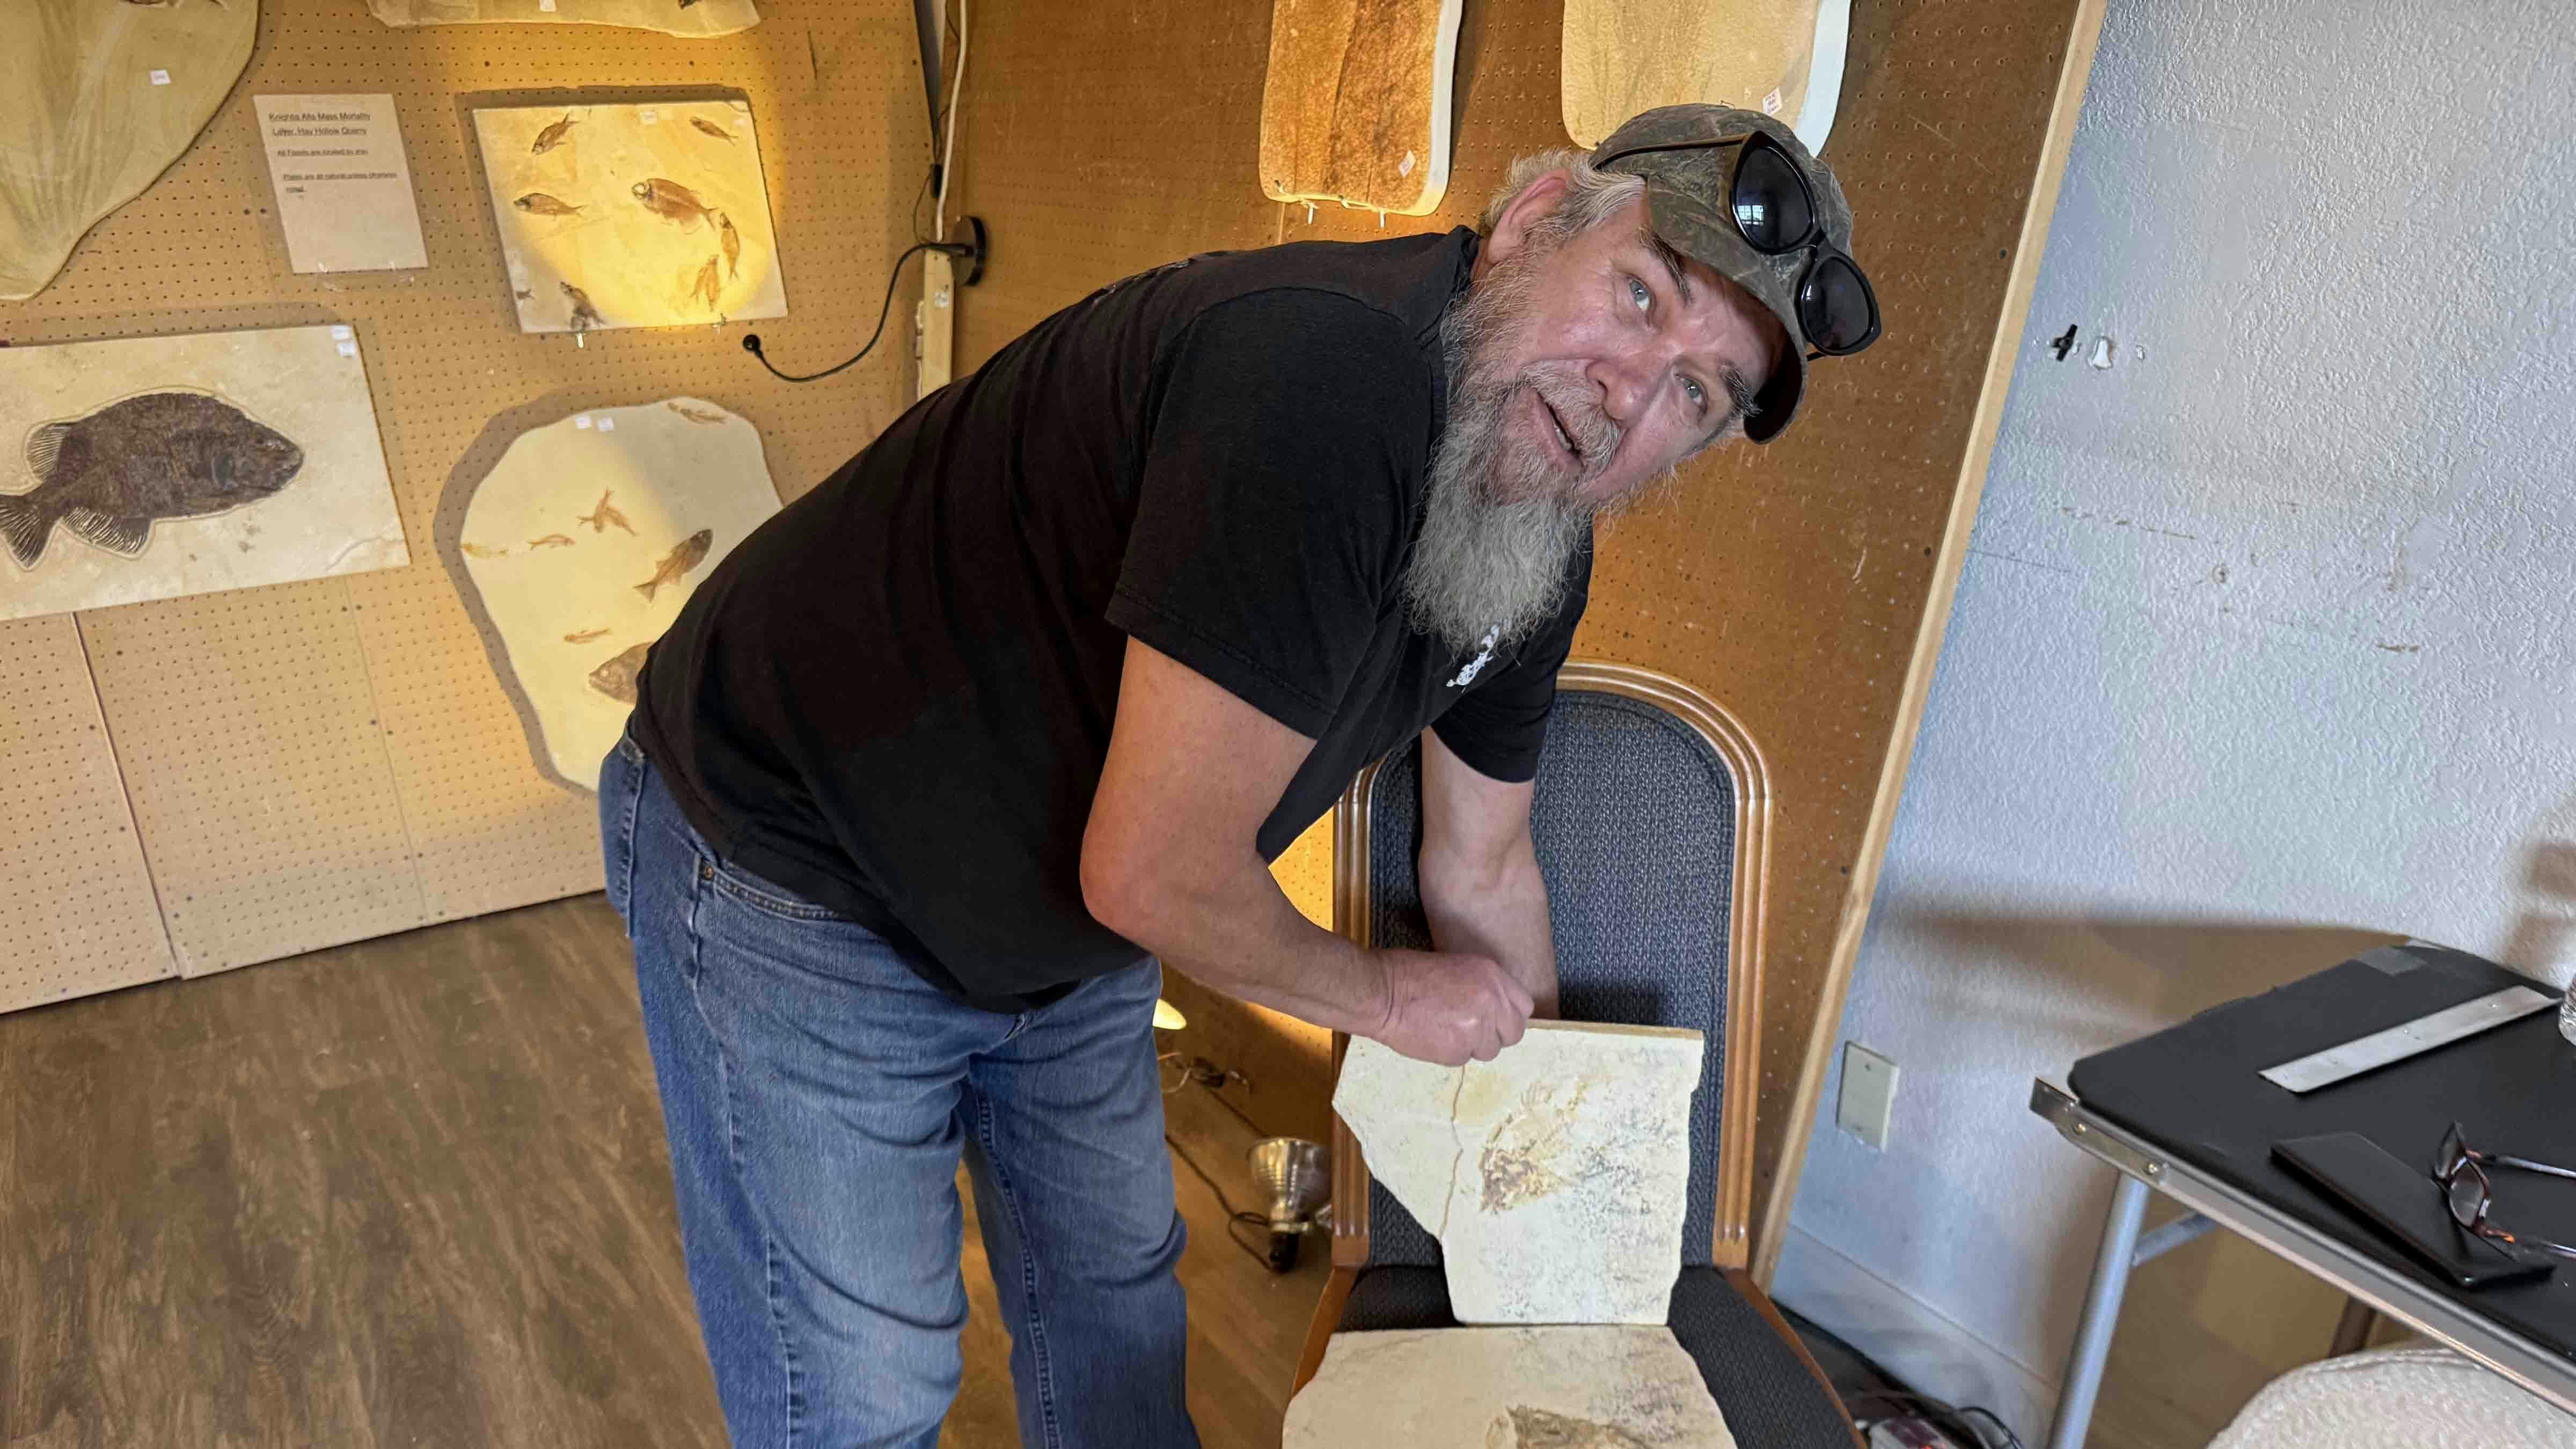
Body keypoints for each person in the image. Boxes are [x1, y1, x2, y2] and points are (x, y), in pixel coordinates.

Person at [597, 102, 1875, 1449]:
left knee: (1114, 1319)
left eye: (1696, 390)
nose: (1632, 391)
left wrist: (1540, 1170)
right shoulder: (1328, 381)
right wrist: (1391, 997)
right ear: (1530, 226)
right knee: (864, 1387)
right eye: (1637, 294)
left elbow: (1481, 861)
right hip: (804, 863)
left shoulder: (1540, 524)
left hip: (1054, 916)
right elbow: (1154, 869)